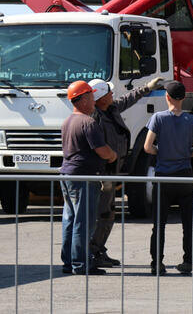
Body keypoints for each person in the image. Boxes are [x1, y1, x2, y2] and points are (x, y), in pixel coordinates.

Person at [87, 76, 163, 267]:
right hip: (101, 174)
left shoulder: (110, 109)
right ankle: (92, 251)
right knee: (101, 214)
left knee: (109, 213)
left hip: (112, 172)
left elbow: (129, 98)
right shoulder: (94, 117)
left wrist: (147, 87)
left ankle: (98, 249)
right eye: (109, 92)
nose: (113, 94)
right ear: (101, 97)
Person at [143, 80, 193, 276]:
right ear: (184, 98)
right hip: (185, 175)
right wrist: (185, 154)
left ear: (166, 97)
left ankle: (157, 263)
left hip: (164, 176)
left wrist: (161, 152)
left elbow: (147, 146)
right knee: (188, 223)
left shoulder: (158, 118)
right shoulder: (192, 120)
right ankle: (188, 261)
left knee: (159, 224)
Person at [60, 80, 117, 275]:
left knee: (70, 220)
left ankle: (69, 262)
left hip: (68, 176)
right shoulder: (88, 122)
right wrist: (113, 155)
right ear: (83, 99)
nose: (94, 100)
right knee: (83, 222)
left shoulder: (68, 121)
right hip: (84, 178)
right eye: (91, 96)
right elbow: (102, 151)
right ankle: (81, 263)